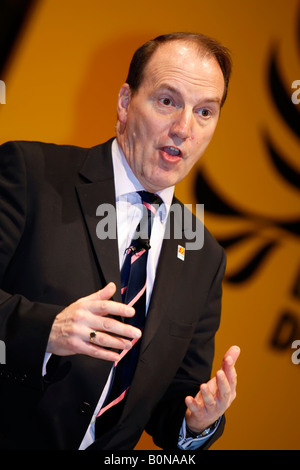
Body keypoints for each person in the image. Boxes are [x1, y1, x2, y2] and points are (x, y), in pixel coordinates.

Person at [0, 32, 240, 450]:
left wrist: (196, 422)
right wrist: (47, 330)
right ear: (126, 103)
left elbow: (172, 402)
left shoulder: (204, 255)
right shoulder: (30, 174)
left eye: (205, 111)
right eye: (168, 101)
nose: (184, 128)